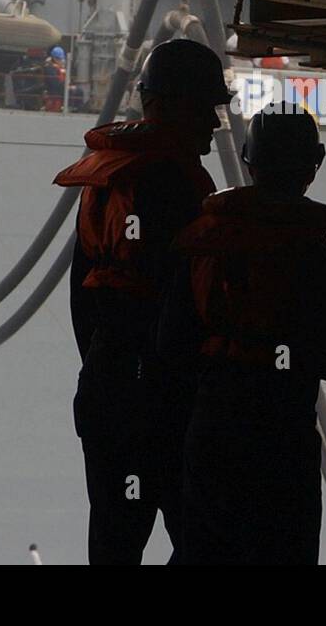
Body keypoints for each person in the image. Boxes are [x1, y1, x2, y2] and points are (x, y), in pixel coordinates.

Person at [164, 109, 326, 565]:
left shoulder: (203, 242)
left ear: (247, 161)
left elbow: (172, 342)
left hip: (212, 424)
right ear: (315, 162)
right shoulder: (316, 252)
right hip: (283, 432)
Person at [53, 37, 229, 564]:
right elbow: (192, 306)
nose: (215, 126)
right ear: (172, 104)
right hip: (163, 400)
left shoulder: (105, 183)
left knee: (114, 539)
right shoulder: (179, 190)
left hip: (107, 388)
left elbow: (81, 296)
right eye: (206, 109)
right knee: (204, 538)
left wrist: (106, 370)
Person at [43, 45, 67, 113]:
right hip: (53, 91)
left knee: (78, 91)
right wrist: (65, 85)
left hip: (61, 89)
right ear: (54, 58)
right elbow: (54, 83)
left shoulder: (60, 67)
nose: (61, 60)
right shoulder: (50, 68)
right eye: (59, 59)